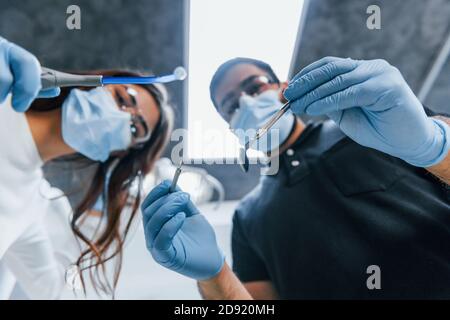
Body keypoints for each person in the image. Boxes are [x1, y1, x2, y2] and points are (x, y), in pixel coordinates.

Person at [141, 57, 449, 299]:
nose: (246, 103)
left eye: (255, 87)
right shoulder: (247, 218)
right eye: (232, 106)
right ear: (231, 127)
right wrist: (214, 277)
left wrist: (432, 146)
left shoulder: (373, 125)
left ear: (284, 87)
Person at [0, 37, 173, 299]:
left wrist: (103, 212)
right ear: (98, 82)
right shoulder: (4, 91)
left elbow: (54, 291)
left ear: (119, 152)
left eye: (134, 128)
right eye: (123, 98)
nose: (122, 116)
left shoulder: (34, 204)